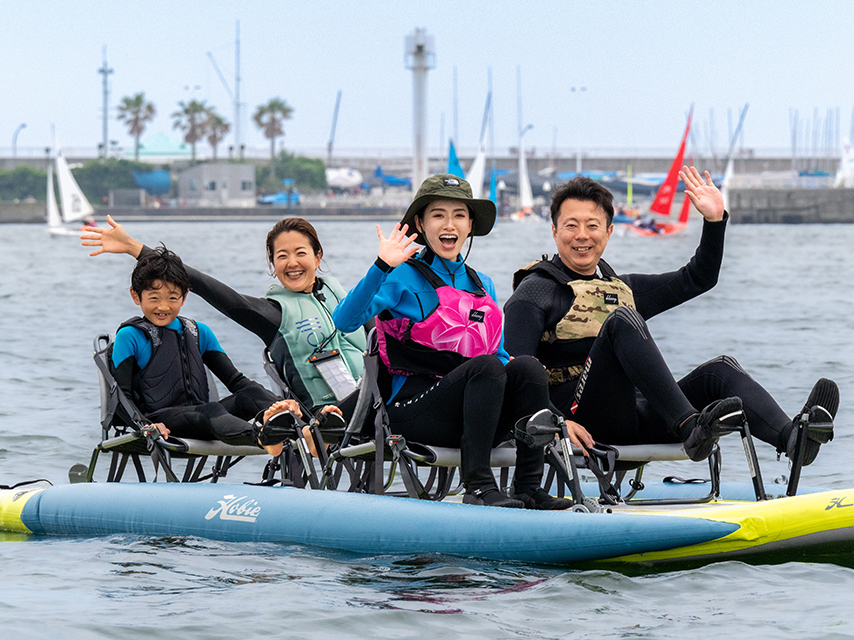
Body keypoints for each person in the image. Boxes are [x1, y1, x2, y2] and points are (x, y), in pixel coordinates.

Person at [504, 168, 838, 464]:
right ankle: (692, 428)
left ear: (608, 232)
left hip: (638, 418)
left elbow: (698, 278)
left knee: (720, 370)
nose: (581, 235)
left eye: (592, 226)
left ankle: (793, 440)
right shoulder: (535, 292)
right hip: (584, 424)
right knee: (622, 320)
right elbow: (516, 373)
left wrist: (714, 221)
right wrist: (558, 422)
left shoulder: (621, 289)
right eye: (570, 226)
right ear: (553, 231)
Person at [331, 174, 595, 510]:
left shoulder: (482, 284)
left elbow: (499, 356)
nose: (449, 224)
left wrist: (549, 405)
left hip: (476, 416)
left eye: (458, 215)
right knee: (484, 368)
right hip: (414, 412)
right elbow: (344, 321)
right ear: (420, 223)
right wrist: (381, 266)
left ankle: (529, 488)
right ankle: (480, 487)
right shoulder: (398, 275)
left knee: (527, 367)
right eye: (438, 215)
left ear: (470, 224)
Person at [82, 216, 366, 422]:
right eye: (282, 256)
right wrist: (135, 248)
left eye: (300, 253)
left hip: (369, 400)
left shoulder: (341, 295)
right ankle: (279, 430)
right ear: (273, 265)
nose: (291, 262)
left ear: (318, 257)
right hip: (326, 415)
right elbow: (209, 288)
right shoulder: (272, 314)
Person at [112, 244, 305, 457]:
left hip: (203, 420)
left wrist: (276, 403)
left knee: (250, 393)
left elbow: (235, 381)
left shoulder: (198, 332)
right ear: (136, 296)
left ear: (184, 297)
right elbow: (122, 398)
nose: (163, 307)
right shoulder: (129, 336)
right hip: (162, 424)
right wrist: (146, 426)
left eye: (173, 298)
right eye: (154, 298)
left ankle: (302, 424)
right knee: (211, 410)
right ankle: (264, 437)